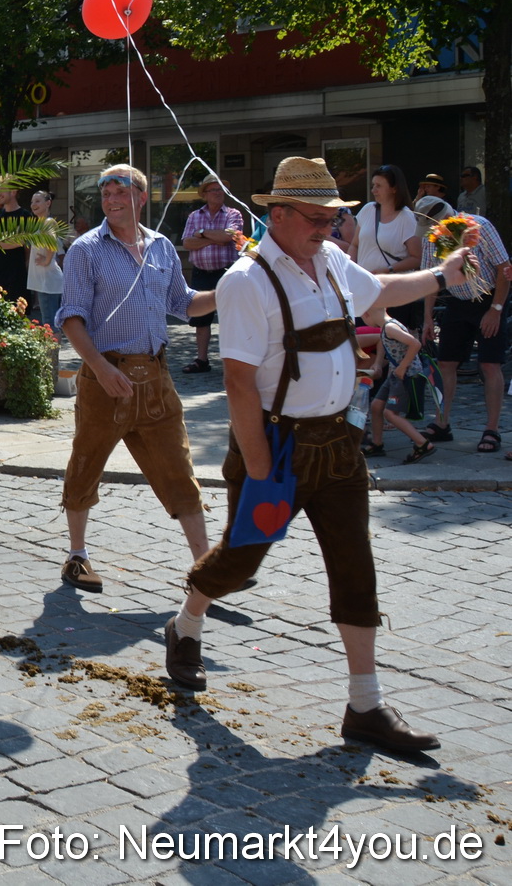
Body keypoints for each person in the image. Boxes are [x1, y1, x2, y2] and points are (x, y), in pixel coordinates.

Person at [165, 156, 476, 753]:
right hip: (276, 450)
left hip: (338, 446)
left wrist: (442, 276)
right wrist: (260, 473)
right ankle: (186, 624)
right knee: (240, 562)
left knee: (355, 567)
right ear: (276, 214)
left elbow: (378, 290)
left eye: (333, 218)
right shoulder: (245, 282)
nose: (327, 228)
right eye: (315, 218)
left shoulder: (331, 260)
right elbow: (236, 383)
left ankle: (365, 707)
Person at [53, 164, 218, 593]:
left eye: (119, 192)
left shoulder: (162, 246)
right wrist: (101, 368)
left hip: (156, 379)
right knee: (86, 465)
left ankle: (205, 568)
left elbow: (183, 303)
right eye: (105, 193)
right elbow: (71, 317)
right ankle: (77, 555)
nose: (110, 200)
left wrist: (230, 289)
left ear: (141, 198)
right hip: (104, 378)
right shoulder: (85, 250)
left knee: (180, 471)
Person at [415, 211, 509, 454]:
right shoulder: (431, 236)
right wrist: (427, 317)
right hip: (458, 301)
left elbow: (505, 268)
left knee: (490, 364)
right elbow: (430, 278)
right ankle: (442, 422)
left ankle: (492, 428)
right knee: (446, 362)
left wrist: (496, 310)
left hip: (489, 299)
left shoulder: (481, 227)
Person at [179, 177, 244, 374]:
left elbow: (228, 237)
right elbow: (187, 243)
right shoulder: (194, 216)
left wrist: (202, 234)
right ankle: (202, 360)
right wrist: (213, 238)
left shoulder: (234, 214)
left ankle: (234, 362)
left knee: (230, 319)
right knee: (201, 320)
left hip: (227, 272)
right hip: (201, 273)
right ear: (205, 194)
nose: (218, 192)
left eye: (221, 189)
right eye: (214, 189)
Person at [359, 307, 435, 462]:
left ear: (367, 314)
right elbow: (384, 342)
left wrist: (402, 367)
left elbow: (415, 344)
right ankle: (377, 443)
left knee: (389, 414)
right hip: (395, 375)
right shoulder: (385, 327)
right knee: (376, 406)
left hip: (404, 376)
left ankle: (422, 443)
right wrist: (379, 363)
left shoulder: (390, 327)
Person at [354, 164, 422, 331]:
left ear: (394, 189)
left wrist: (388, 270)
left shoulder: (407, 217)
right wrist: (351, 271)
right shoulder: (367, 210)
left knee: (390, 344)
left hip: (393, 291)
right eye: (373, 185)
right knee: (364, 343)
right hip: (365, 288)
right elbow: (354, 244)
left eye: (378, 186)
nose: (373, 190)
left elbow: (416, 258)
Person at [0, 184, 37, 305]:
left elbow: (19, 241)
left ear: (13, 191)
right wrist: (1, 241)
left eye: (2, 191)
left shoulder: (25, 216)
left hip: (16, 274)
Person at [26, 191, 65, 326]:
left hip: (48, 282)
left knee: (50, 323)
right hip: (44, 282)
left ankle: (53, 348)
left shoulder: (48, 222)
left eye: (37, 201)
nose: (33, 205)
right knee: (49, 322)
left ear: (48, 203)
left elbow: (52, 243)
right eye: (32, 202)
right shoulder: (41, 224)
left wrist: (47, 260)